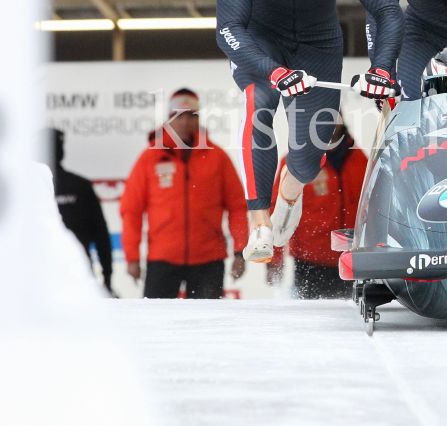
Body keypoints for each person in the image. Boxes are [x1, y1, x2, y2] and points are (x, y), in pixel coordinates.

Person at [215, 0, 405, 265]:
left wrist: (381, 68)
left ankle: (290, 189)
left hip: (318, 43)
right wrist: (276, 71)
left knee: (308, 156)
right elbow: (228, 29)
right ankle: (260, 221)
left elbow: (388, 11)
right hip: (260, 39)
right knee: (262, 100)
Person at [120, 89, 249, 299]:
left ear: (198, 119)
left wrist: (240, 252)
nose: (184, 122)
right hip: (162, 258)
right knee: (158, 325)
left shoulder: (217, 157)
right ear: (169, 120)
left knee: (207, 326)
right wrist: (132, 257)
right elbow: (131, 210)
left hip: (209, 259)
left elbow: (237, 208)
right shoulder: (150, 158)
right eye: (178, 116)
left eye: (191, 115)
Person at [267, 119, 367, 299]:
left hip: (353, 261)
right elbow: (278, 210)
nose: (328, 128)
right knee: (311, 322)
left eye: (333, 121)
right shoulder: (295, 162)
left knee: (352, 322)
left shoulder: (361, 159)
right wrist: (275, 258)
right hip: (310, 263)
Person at [44, 128, 114, 294]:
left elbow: (101, 235)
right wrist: (107, 278)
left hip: (65, 276)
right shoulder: (80, 185)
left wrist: (107, 279)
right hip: (72, 275)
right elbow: (101, 236)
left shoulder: (80, 187)